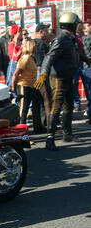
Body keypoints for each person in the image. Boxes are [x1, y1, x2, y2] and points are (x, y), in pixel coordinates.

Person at [34, 12, 84, 151]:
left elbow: (74, 53)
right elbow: (49, 57)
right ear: (72, 25)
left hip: (68, 77)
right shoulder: (61, 39)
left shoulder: (70, 39)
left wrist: (86, 59)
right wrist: (43, 73)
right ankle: (50, 139)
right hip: (58, 79)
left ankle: (67, 134)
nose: (78, 25)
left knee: (68, 106)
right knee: (56, 107)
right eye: (76, 23)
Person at [11, 39, 45, 133]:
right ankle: (21, 132)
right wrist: (13, 87)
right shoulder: (25, 58)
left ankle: (35, 128)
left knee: (30, 107)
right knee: (24, 109)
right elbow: (16, 73)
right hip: (23, 85)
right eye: (35, 45)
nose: (37, 47)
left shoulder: (31, 58)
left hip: (31, 86)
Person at [81, 21, 91, 123]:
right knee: (89, 92)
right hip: (87, 67)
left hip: (85, 67)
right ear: (84, 29)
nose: (90, 26)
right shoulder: (86, 38)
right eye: (88, 25)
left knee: (88, 92)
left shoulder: (80, 39)